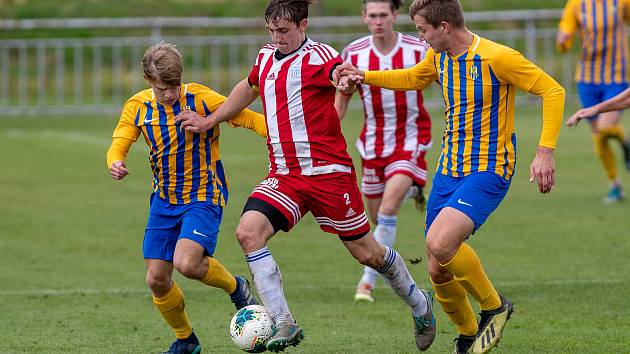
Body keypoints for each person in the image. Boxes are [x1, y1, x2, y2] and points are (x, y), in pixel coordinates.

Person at [176, 0, 436, 352]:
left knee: (367, 253)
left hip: (329, 175)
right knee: (248, 232)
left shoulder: (319, 56)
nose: (277, 37)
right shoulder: (266, 56)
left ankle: (420, 304)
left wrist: (343, 78)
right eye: (272, 31)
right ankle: (284, 322)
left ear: (303, 25)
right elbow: (248, 86)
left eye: (284, 31)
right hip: (285, 175)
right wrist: (210, 119)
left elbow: (337, 72)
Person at [334, 0, 565, 353]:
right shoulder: (438, 56)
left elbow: (553, 91)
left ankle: (494, 306)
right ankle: (469, 334)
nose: (420, 37)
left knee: (441, 244)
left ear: (444, 27)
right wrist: (365, 75)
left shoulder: (497, 57)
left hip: (489, 167)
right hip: (449, 168)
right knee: (437, 268)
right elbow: (413, 78)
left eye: (423, 30)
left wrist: (545, 151)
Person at [106, 42, 265, 354]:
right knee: (157, 279)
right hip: (164, 201)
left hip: (204, 194)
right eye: (163, 87)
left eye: (174, 86)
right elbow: (119, 140)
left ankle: (236, 287)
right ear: (148, 80)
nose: (170, 94)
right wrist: (115, 161)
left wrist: (279, 133)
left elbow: (245, 117)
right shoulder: (137, 107)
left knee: (187, 263)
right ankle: (186, 340)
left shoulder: (200, 97)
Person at [334, 0, 432, 303]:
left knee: (388, 211)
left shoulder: (418, 49)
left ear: (394, 15)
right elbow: (344, 94)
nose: (378, 21)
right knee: (377, 216)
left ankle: (368, 280)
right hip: (373, 143)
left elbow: (445, 78)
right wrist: (329, 132)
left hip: (411, 139)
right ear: (364, 17)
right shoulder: (353, 53)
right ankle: (412, 190)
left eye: (383, 15)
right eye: (372, 15)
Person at [556, 0, 630, 203]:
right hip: (587, 79)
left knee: (606, 128)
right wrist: (563, 41)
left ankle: (625, 143)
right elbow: (565, 37)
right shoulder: (576, 5)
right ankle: (615, 184)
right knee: (599, 136)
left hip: (616, 75)